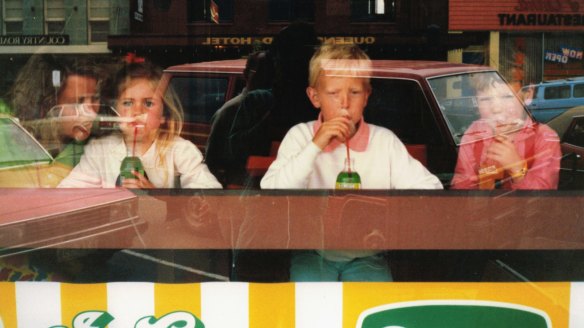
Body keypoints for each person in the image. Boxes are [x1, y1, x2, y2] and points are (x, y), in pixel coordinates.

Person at [260, 43, 442, 282]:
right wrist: (315, 145)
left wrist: (389, 221)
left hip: (368, 256)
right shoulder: (300, 136)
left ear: (367, 96)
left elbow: (430, 193)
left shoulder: (384, 141)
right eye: (333, 94)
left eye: (354, 92)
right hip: (312, 252)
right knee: (310, 314)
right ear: (315, 97)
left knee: (372, 313)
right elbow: (273, 191)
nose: (344, 103)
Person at [58, 61, 221, 189]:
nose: (138, 111)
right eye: (128, 103)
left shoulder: (180, 150)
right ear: (117, 112)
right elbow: (69, 191)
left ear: (163, 115)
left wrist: (157, 194)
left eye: (149, 103)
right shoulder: (100, 150)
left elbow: (208, 191)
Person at [450, 74, 561, 190]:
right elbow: (461, 184)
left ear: (528, 95)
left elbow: (543, 199)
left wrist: (518, 170)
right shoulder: (474, 134)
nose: (496, 108)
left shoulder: (544, 138)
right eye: (485, 99)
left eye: (507, 97)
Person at [7, 54, 116, 168]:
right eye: (77, 103)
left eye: (95, 99)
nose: (92, 114)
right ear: (47, 104)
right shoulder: (8, 142)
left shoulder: (101, 148)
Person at [205, 50, 275, 187]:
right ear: (246, 74)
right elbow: (212, 161)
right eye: (261, 72)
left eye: (271, 72)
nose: (267, 77)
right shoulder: (229, 111)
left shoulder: (280, 107)